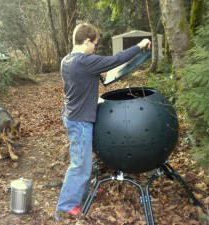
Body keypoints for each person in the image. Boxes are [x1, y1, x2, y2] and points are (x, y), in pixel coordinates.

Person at [56, 22, 151, 216]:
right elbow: (117, 59)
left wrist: (98, 74)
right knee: (79, 163)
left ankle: (82, 193)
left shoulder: (67, 60)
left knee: (83, 161)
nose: (95, 48)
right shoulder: (85, 61)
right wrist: (140, 45)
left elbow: (81, 79)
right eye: (95, 44)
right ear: (87, 41)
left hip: (71, 114)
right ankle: (66, 204)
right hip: (80, 119)